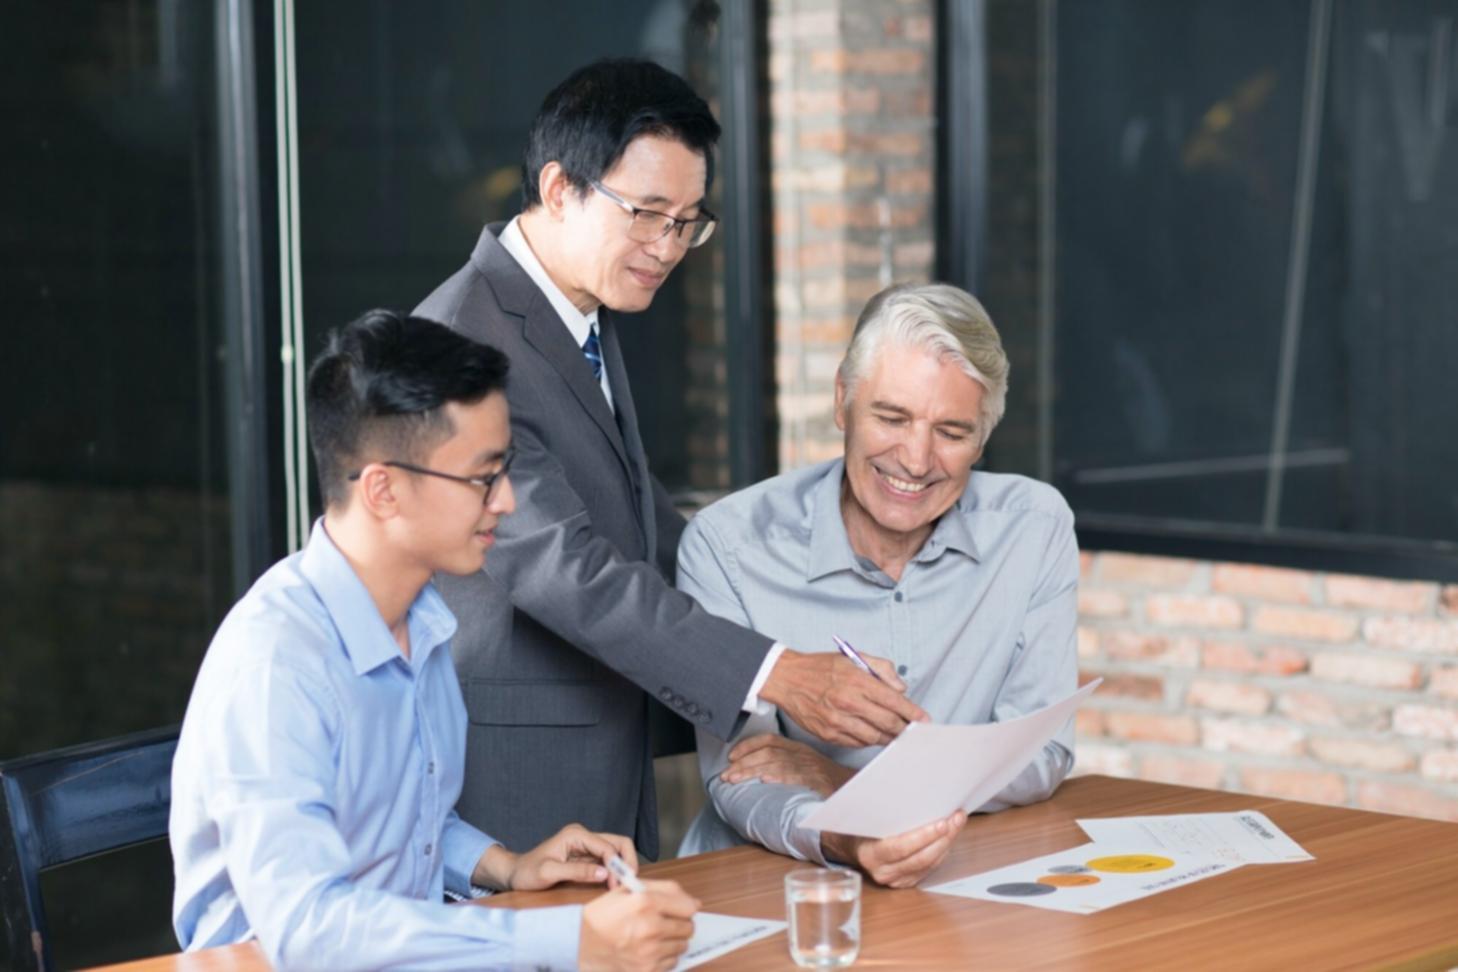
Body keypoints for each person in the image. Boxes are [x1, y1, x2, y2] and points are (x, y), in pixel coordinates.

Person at [415, 58, 925, 860]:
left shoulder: (580, 310)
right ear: (558, 189)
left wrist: (794, 625)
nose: (668, 247)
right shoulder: (461, 340)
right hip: (511, 778)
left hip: (597, 744)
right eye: (647, 214)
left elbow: (640, 520)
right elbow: (561, 564)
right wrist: (776, 672)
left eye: (688, 221)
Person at [170, 310, 697, 971]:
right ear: (384, 490)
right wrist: (565, 942)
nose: (505, 500)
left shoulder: (423, 619)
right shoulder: (276, 662)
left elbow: (404, 826)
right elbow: (306, 928)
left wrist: (506, 865)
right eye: (483, 477)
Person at [677, 283, 1079, 888]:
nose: (916, 460)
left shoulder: (1034, 529)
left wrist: (844, 783)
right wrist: (847, 836)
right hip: (763, 889)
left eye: (952, 431)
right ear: (843, 400)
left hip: (952, 883)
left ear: (984, 436)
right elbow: (743, 777)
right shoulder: (727, 546)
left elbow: (1042, 756)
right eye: (891, 418)